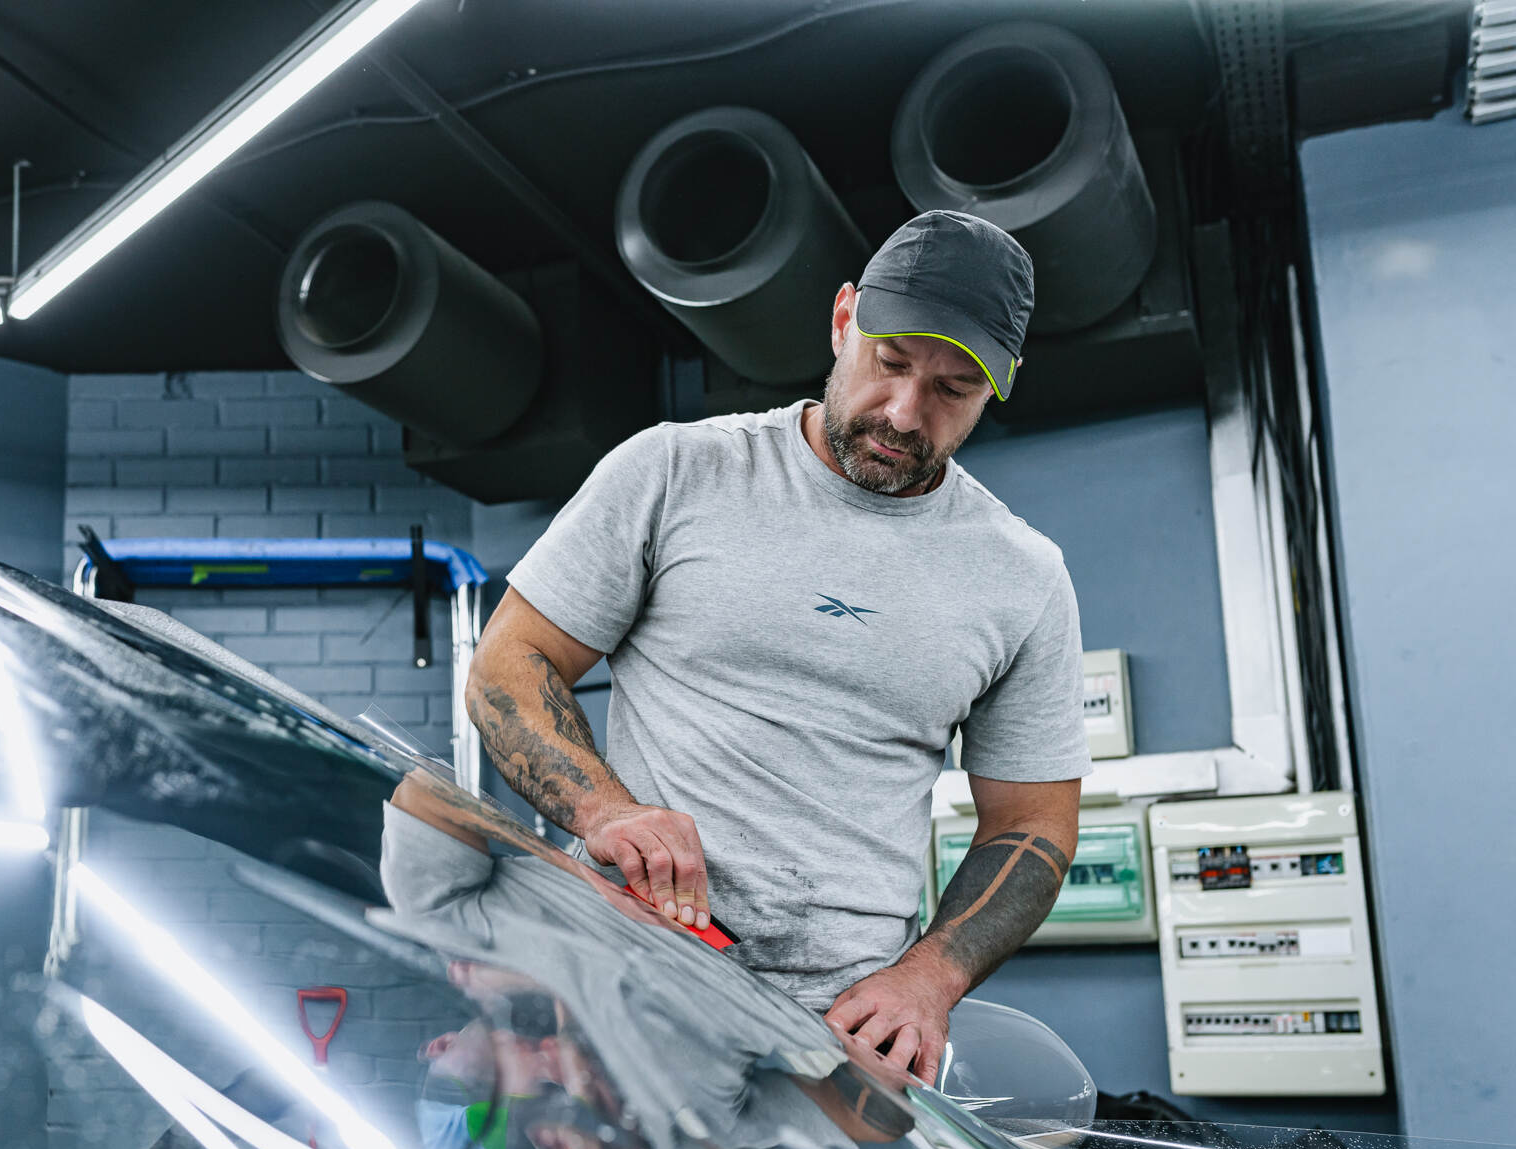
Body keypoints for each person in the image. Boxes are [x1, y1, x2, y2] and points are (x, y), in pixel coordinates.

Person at [465, 210, 1091, 1085]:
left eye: (953, 390)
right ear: (843, 320)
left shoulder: (1022, 575)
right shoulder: (675, 473)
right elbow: (508, 662)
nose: (905, 413)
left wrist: (931, 978)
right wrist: (605, 813)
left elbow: (1032, 823)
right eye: (891, 362)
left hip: (846, 1043)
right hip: (628, 995)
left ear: (998, 389)